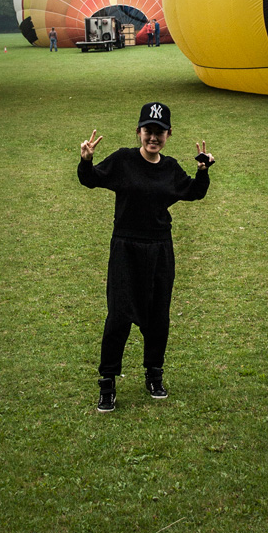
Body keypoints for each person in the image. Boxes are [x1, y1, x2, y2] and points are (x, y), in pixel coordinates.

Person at [78, 101, 214, 412]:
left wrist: (202, 171)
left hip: (159, 250)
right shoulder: (124, 160)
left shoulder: (169, 168)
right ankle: (107, 383)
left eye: (159, 132)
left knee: (158, 317)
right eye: (148, 131)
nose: (153, 137)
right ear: (139, 132)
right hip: (126, 248)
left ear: (168, 135)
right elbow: (90, 179)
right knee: (119, 317)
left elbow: (193, 192)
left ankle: (154, 375)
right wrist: (86, 161)